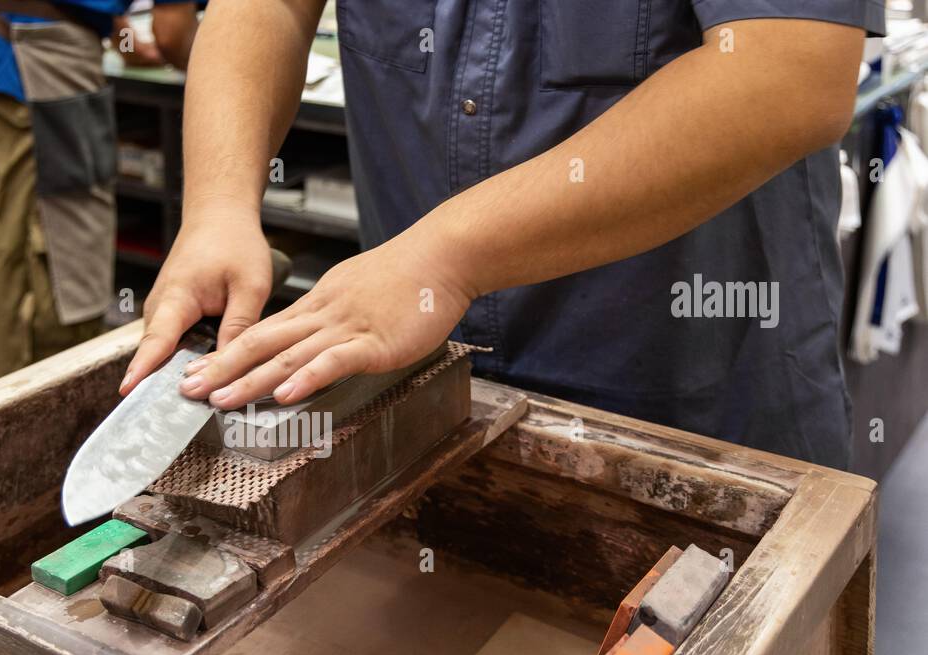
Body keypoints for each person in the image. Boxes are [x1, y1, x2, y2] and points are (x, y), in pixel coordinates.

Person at [122, 1, 883, 468]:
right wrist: (218, 202)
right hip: (425, 399)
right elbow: (268, 6)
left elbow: (790, 72)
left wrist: (445, 258)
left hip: (696, 400)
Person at [0, 0, 200, 400]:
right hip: (34, 79)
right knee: (50, 303)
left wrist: (121, 37)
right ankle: (28, 450)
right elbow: (173, 34)